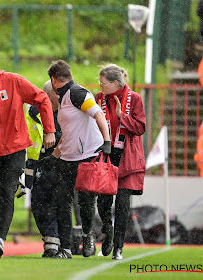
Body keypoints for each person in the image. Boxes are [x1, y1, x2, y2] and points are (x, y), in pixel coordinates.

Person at [0, 48, 56, 259]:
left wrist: (49, 130)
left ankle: (0, 240)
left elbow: (43, 99)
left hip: (15, 150)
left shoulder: (14, 81)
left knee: (7, 193)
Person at [46, 60, 111, 259]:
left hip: (86, 157)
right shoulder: (66, 96)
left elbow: (98, 113)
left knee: (85, 202)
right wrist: (54, 156)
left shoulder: (77, 93)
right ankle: (65, 248)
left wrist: (106, 140)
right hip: (67, 158)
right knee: (62, 202)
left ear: (53, 80)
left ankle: (87, 235)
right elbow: (69, 133)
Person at [95, 64, 146, 260]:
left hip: (128, 158)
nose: (100, 86)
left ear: (115, 83)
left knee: (122, 205)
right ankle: (108, 233)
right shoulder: (99, 98)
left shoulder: (135, 99)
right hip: (106, 155)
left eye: (103, 83)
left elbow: (141, 127)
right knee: (103, 203)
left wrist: (121, 116)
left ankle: (118, 247)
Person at [22, 80, 61, 258]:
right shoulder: (31, 114)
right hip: (36, 167)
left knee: (55, 205)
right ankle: (50, 239)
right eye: (56, 93)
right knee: (37, 206)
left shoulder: (65, 113)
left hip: (57, 166)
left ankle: (53, 243)